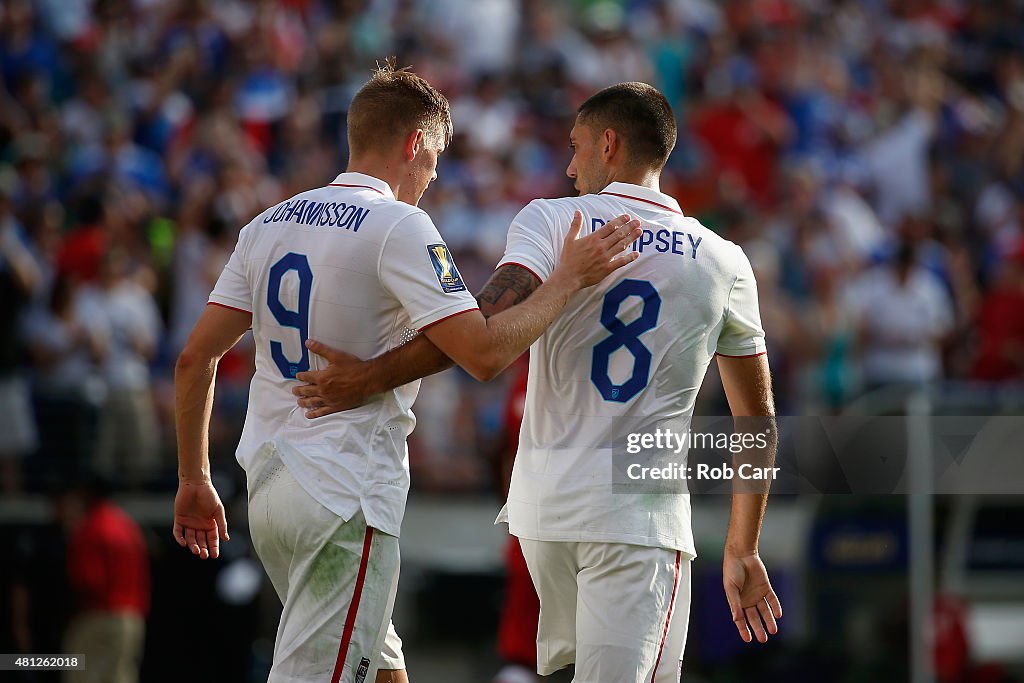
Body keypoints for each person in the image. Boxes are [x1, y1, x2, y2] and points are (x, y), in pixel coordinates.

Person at [294, 82, 783, 682]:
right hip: (637, 520)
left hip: (543, 515)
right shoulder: (723, 259)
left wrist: (370, 376)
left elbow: (482, 327)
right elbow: (755, 420)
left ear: (609, 144)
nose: (571, 166)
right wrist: (743, 543)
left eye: (576, 148)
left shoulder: (552, 220)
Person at [172, 63, 641, 683]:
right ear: (415, 143)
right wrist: (566, 280)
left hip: (270, 488)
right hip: (344, 491)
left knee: (382, 665)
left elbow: (194, 358)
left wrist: (193, 477)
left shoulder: (269, 223)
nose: (434, 176)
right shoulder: (400, 225)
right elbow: (480, 352)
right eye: (436, 157)